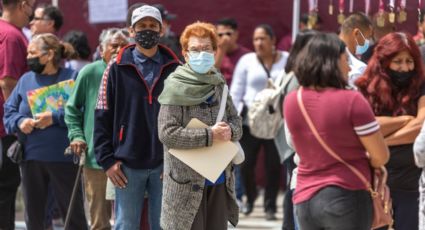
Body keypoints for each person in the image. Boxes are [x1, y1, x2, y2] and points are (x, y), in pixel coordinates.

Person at [284, 32, 389, 230]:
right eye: (345, 59)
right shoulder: (352, 100)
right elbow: (381, 155)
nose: (350, 66)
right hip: (346, 194)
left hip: (304, 198)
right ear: (331, 62)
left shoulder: (292, 101)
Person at [93, 5, 180, 230]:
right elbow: (102, 115)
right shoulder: (116, 67)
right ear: (131, 31)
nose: (147, 30)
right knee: (125, 225)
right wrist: (107, 161)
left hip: (165, 164)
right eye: (142, 26)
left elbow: (184, 117)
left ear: (162, 30)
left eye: (153, 26)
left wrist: (177, 160)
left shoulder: (176, 69)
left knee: (164, 225)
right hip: (126, 166)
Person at [157, 21, 242, 230]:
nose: (201, 54)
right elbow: (167, 133)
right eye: (195, 49)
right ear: (185, 54)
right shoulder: (175, 87)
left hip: (219, 179)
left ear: (214, 51)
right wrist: (209, 135)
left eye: (206, 49)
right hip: (185, 184)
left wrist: (230, 131)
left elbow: (236, 121)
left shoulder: (218, 83)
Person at [3, 33, 88, 230]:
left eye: (32, 53)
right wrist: (20, 121)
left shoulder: (71, 78)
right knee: (34, 218)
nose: (27, 57)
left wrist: (54, 117)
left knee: (73, 216)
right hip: (31, 159)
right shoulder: (25, 80)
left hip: (64, 158)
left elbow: (82, 111)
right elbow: (9, 111)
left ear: (49, 55)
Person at [356, 32, 425, 230]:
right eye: (398, 62)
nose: (405, 68)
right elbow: (365, 127)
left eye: (409, 61)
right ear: (384, 62)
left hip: (411, 188)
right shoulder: (365, 88)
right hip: (373, 187)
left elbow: (421, 127)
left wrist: (379, 143)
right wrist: (404, 120)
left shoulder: (421, 86)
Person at [65, 28, 129, 230]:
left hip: (128, 157)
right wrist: (76, 135)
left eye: (123, 45)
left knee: (127, 218)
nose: (119, 49)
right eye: (114, 45)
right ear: (102, 50)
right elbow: (72, 109)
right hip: (95, 157)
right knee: (99, 220)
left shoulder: (134, 72)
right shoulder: (89, 72)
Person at [230, 24, 288, 220]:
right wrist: (232, 118)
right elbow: (236, 91)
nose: (259, 43)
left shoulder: (287, 60)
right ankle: (250, 196)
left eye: (263, 38)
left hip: (276, 122)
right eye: (256, 39)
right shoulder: (247, 61)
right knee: (245, 164)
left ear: (273, 40)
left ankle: (270, 206)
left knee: (273, 166)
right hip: (249, 121)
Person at [275, 29, 317, 230]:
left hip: (289, 139)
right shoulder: (297, 77)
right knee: (293, 186)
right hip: (292, 142)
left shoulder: (291, 72)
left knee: (291, 183)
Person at [0, 0, 34, 228]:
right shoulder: (11, 36)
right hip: (8, 128)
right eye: (32, 5)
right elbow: (7, 82)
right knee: (6, 186)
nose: (32, 10)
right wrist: (14, 122)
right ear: (23, 4)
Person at [338, 12, 373, 88]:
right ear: (357, 33)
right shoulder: (360, 69)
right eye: (367, 38)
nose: (368, 42)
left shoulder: (323, 53)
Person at [215, 17, 250, 86]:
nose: (225, 38)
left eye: (228, 34)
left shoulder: (247, 55)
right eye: (220, 35)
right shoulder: (212, 55)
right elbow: (210, 75)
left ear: (236, 34)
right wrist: (221, 50)